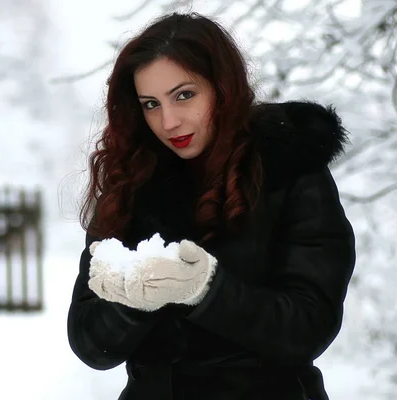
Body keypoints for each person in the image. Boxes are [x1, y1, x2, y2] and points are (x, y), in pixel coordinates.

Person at [66, 11, 356, 400]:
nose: (168, 121)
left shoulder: (289, 171)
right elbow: (90, 345)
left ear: (222, 88)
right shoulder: (131, 182)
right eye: (151, 104)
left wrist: (206, 289)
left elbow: (308, 327)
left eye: (184, 95)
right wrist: (132, 302)